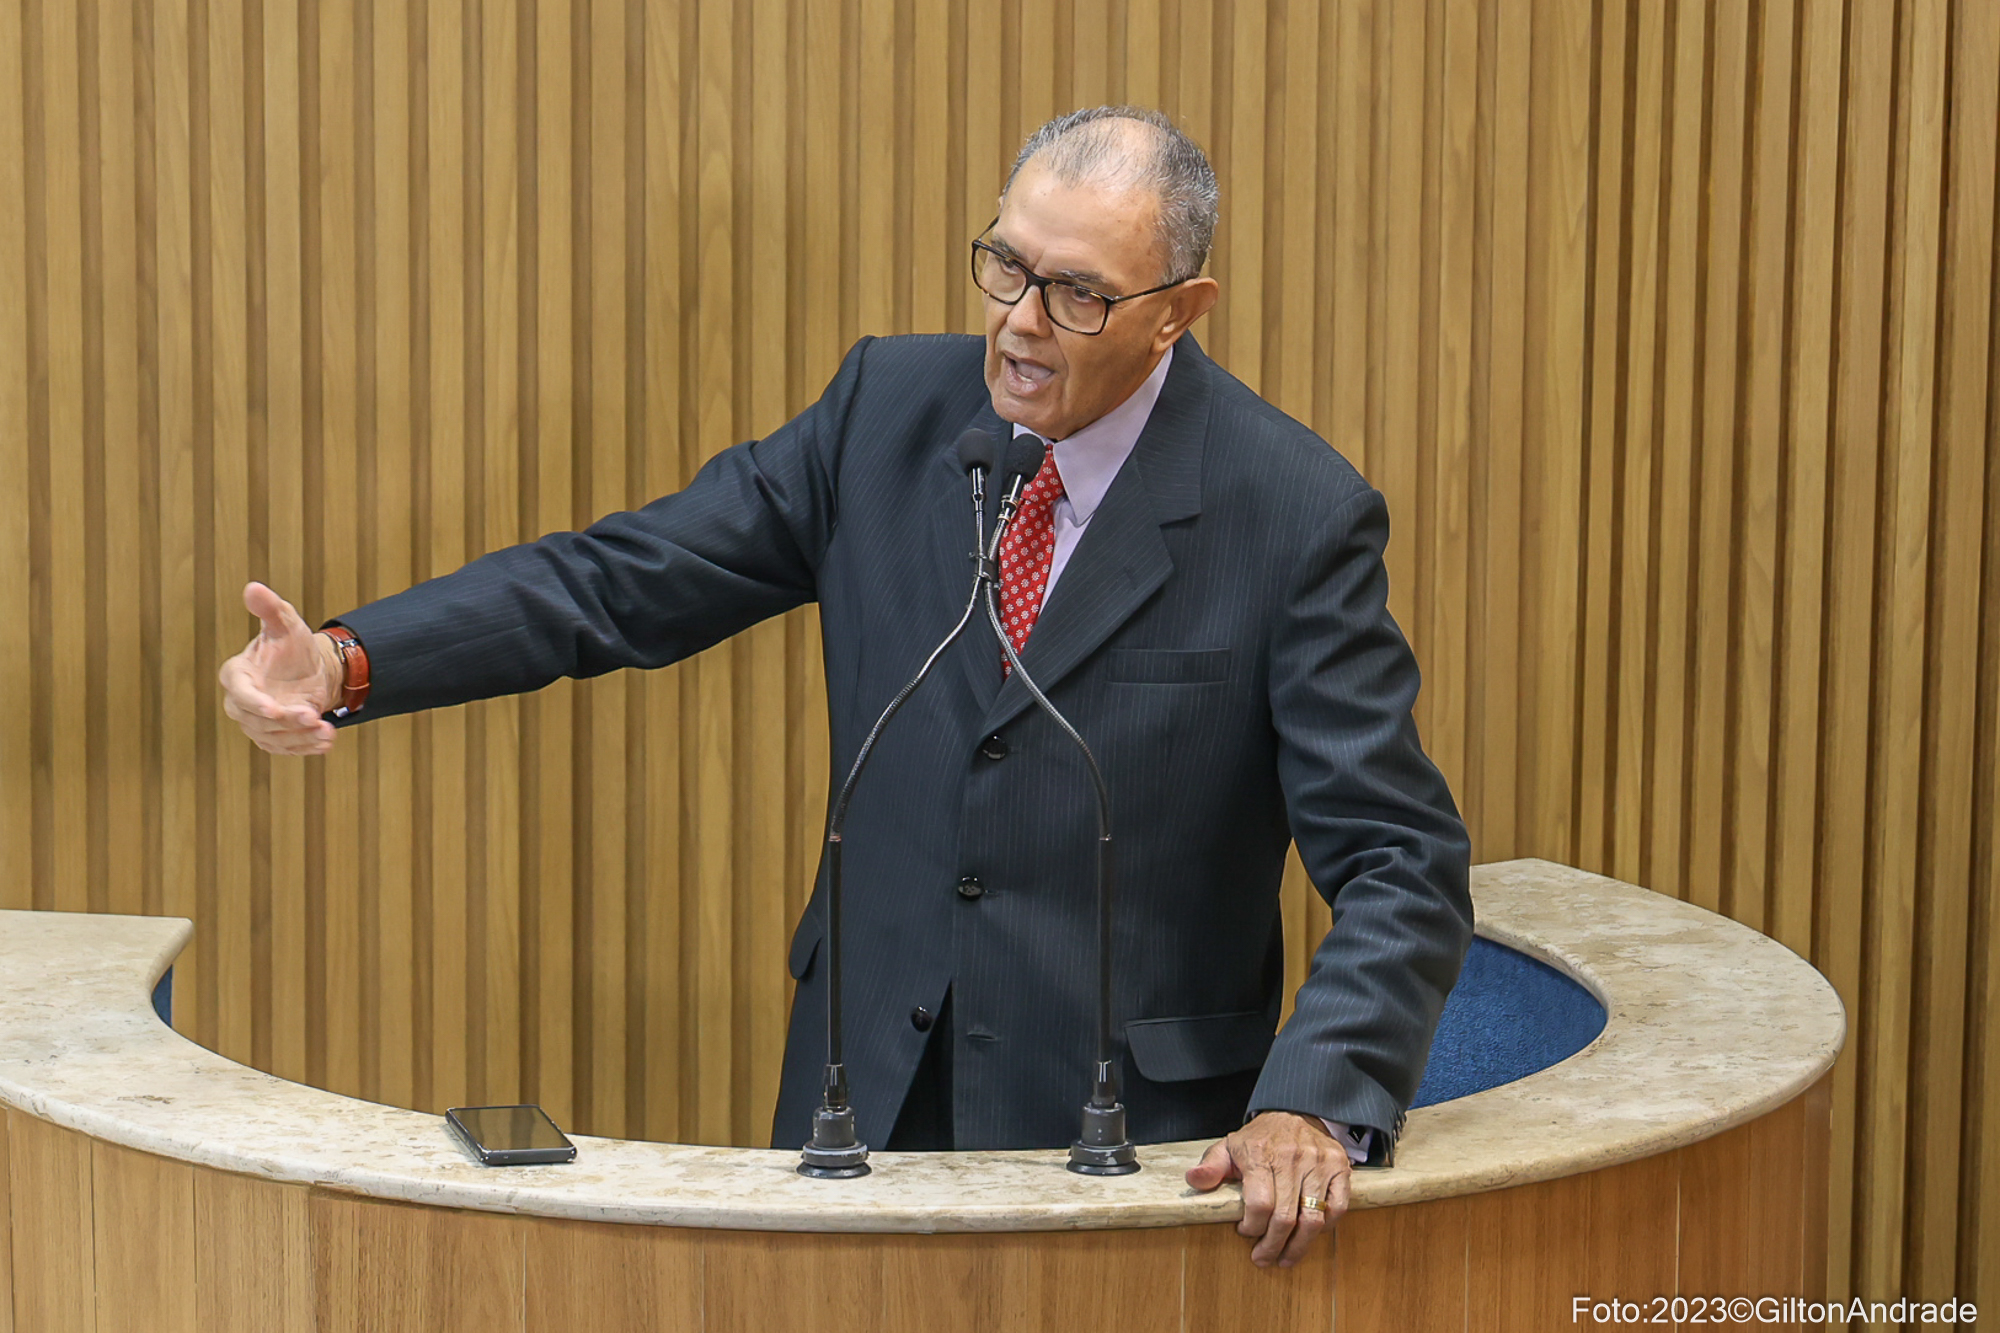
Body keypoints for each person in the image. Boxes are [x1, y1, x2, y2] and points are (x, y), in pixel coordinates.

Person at [220, 107, 1472, 1269]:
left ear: (1177, 313)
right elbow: (619, 580)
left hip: (1128, 1140)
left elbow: (1399, 858)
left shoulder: (1290, 511)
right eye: (1006, 265)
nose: (1020, 321)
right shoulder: (886, 411)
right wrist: (346, 659)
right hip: (860, 1089)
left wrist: (1312, 1097)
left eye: (1077, 293)